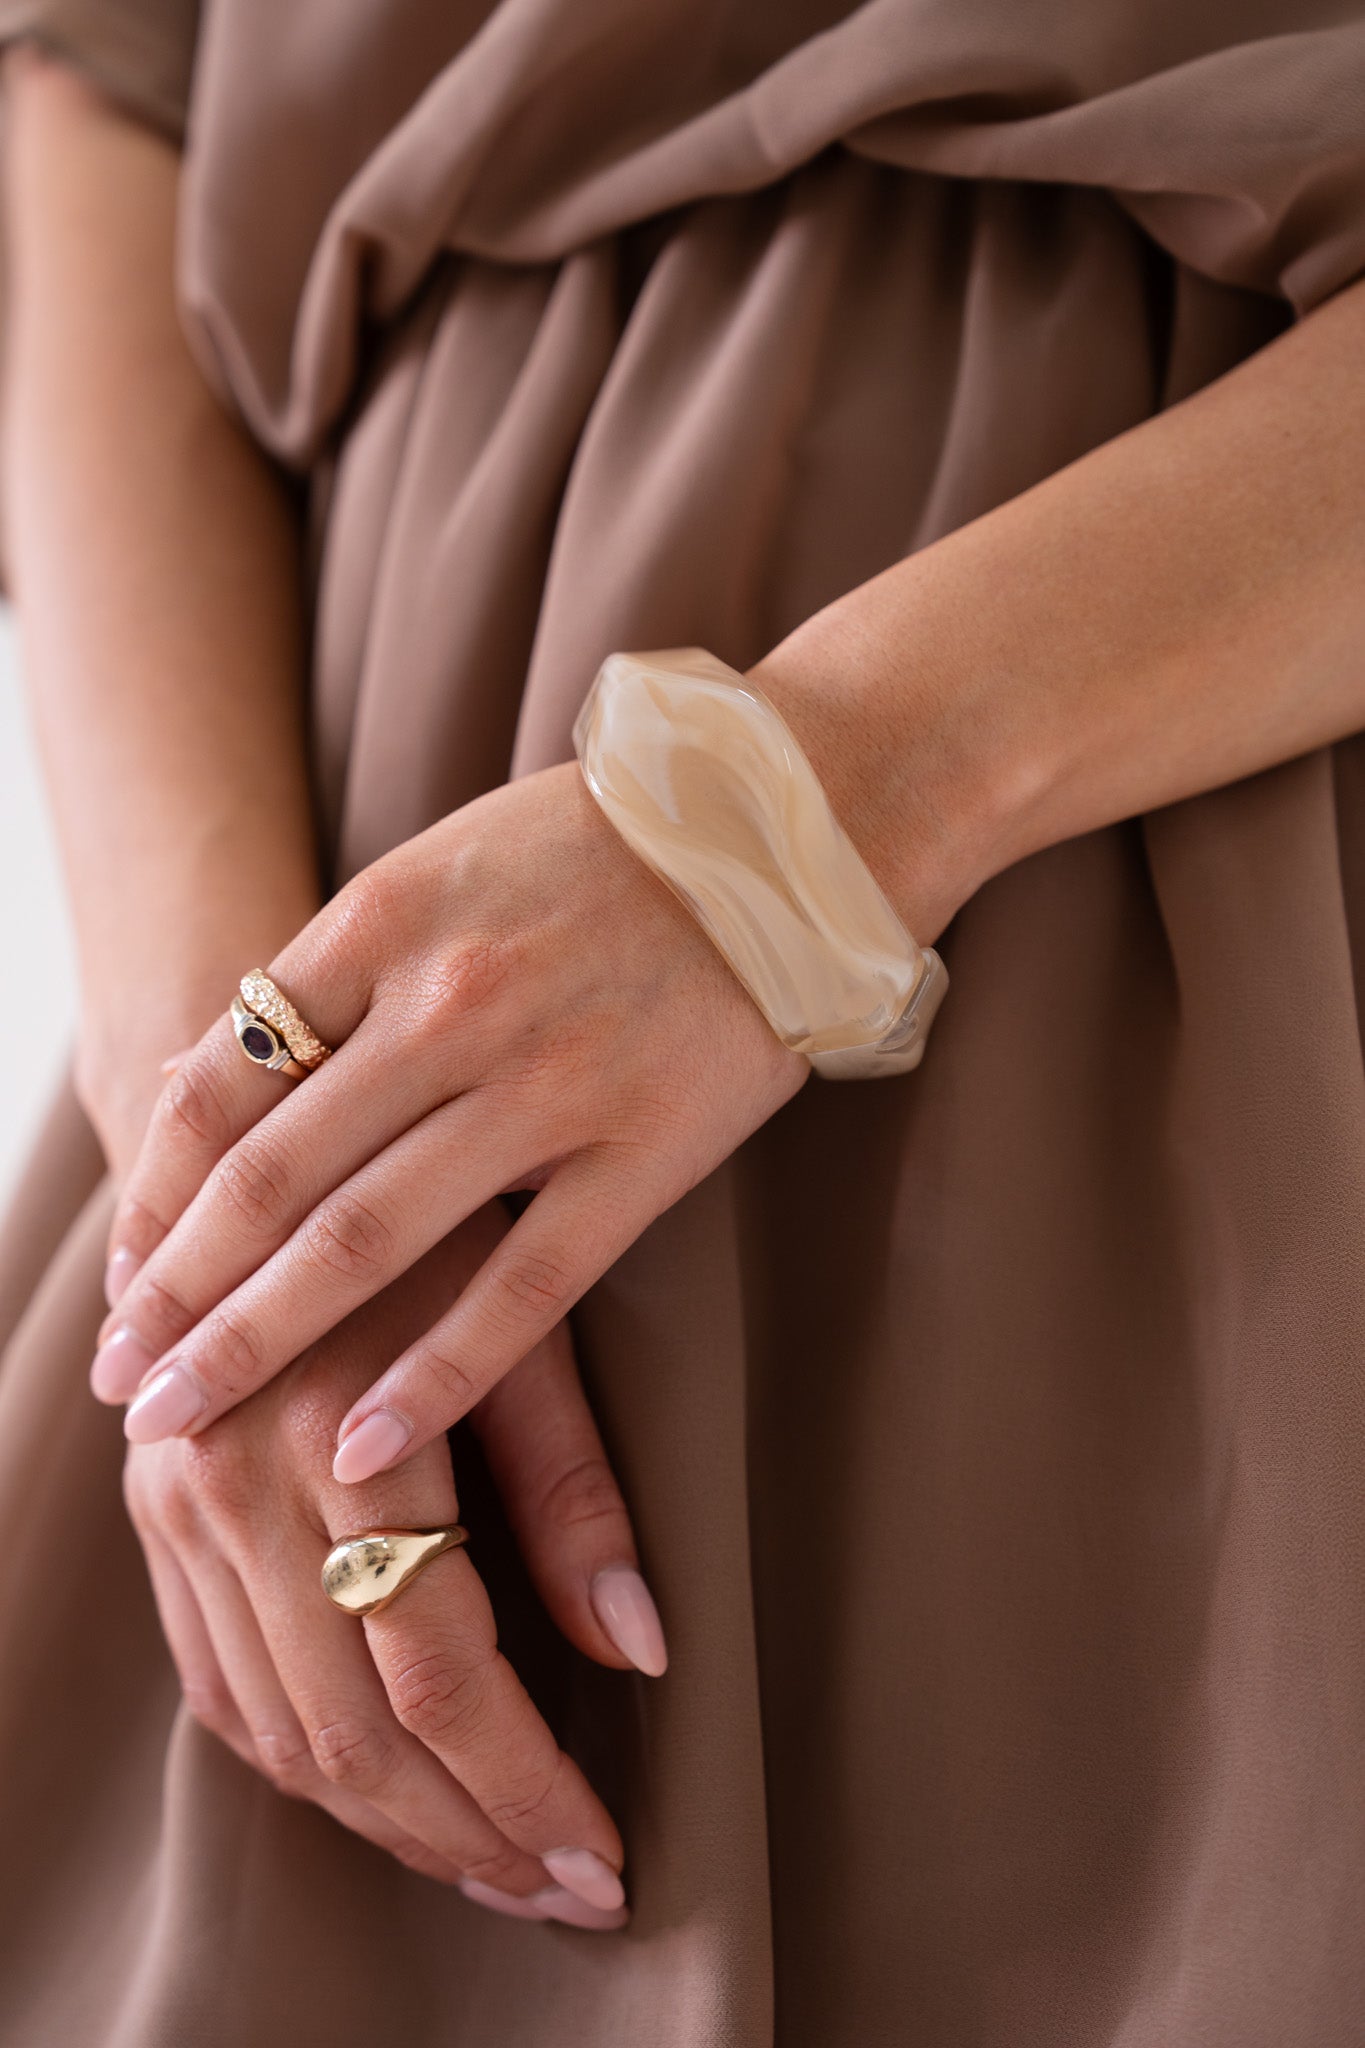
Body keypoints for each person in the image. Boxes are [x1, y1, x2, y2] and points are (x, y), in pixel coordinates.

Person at [1, 2, 1363, 2041]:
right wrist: (246, 1154)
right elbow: (100, 97)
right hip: (345, 1026)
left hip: (1202, 911)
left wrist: (806, 813)